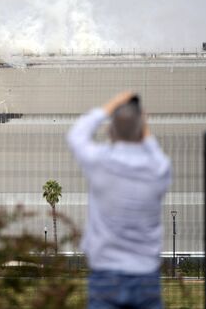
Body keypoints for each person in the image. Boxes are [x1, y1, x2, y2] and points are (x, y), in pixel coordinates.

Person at [67, 91, 172, 309]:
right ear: (142, 131)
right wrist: (141, 123)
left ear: (111, 130)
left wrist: (110, 106)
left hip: (106, 275)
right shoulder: (158, 169)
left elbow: (77, 134)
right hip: (146, 276)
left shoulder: (100, 162)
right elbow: (152, 149)